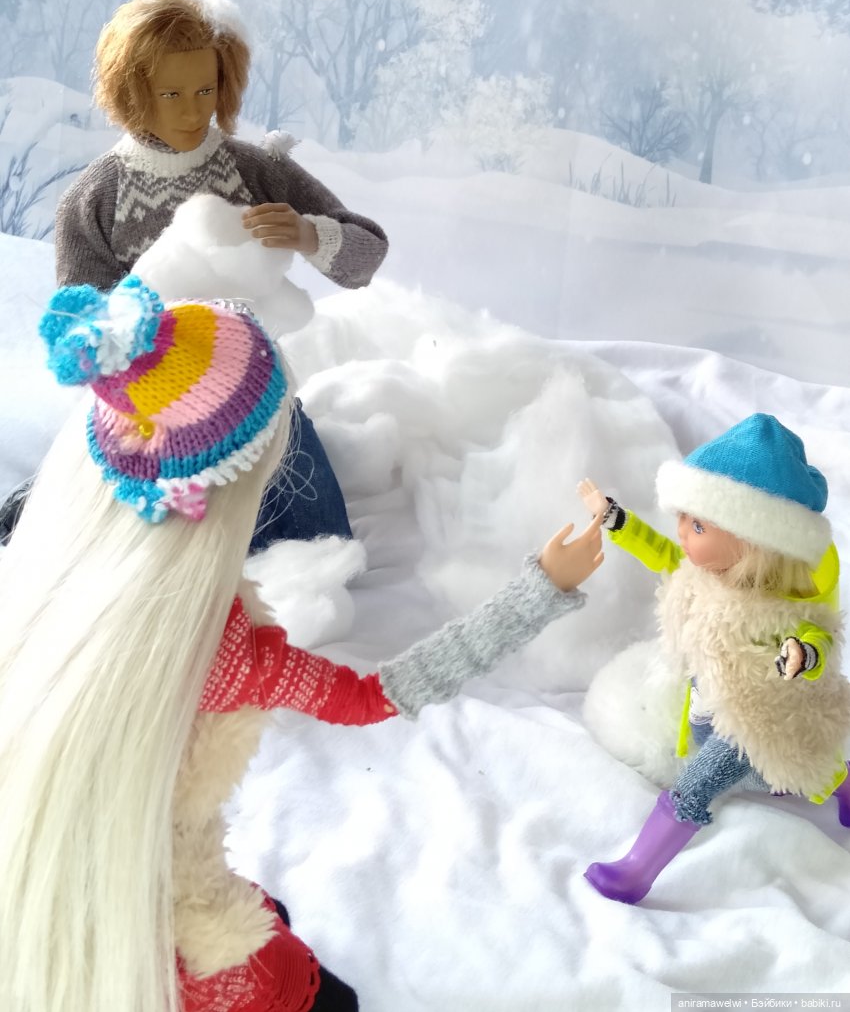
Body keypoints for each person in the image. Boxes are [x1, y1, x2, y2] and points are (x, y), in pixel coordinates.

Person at [0, 272, 604, 1012]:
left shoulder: (37, 580)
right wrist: (537, 592)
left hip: (67, 902)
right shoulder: (225, 654)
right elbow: (381, 693)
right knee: (313, 991)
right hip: (171, 930)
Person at [0, 0, 389, 551]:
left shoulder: (255, 170)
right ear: (132, 92)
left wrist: (308, 234)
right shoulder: (95, 198)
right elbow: (80, 334)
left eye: (206, 90)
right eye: (171, 94)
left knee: (319, 541)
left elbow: (367, 254)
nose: (191, 111)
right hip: (151, 410)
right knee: (65, 532)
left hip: (258, 393)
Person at [577, 414, 850, 905]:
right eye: (684, 517)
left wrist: (802, 653)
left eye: (699, 525)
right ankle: (844, 784)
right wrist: (616, 519)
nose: (682, 532)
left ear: (753, 545)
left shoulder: (779, 607)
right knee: (794, 773)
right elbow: (663, 554)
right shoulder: (701, 576)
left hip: (751, 721)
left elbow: (819, 637)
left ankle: (636, 872)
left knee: (694, 789)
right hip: (709, 715)